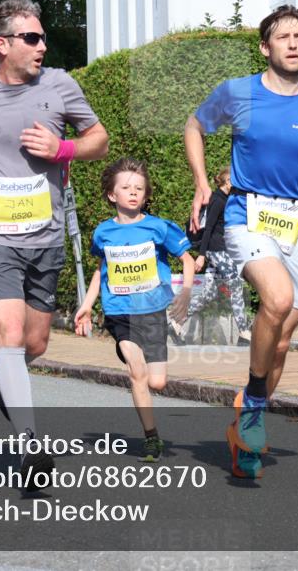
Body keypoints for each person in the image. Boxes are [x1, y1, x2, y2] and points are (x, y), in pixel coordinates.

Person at [0, 0, 109, 488]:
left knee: (34, 342)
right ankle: (30, 447)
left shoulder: (60, 85)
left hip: (45, 232)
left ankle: (1, 369)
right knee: (9, 330)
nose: (42, 46)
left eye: (43, 38)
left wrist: (64, 148)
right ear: (3, 44)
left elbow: (100, 138)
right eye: (32, 38)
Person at [184, 5, 298, 479]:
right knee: (276, 299)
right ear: (266, 47)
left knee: (279, 343)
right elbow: (194, 126)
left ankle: (243, 428)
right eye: (283, 37)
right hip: (248, 213)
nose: (294, 43)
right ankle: (257, 406)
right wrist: (203, 183)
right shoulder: (238, 92)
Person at [74, 158, 195, 462]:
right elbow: (101, 270)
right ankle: (151, 438)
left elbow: (188, 260)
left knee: (157, 382)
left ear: (145, 194)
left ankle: (151, 423)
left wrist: (185, 294)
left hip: (153, 311)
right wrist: (87, 306)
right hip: (119, 312)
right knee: (136, 371)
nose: (133, 192)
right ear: (112, 195)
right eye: (126, 187)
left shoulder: (158, 227)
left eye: (139, 188)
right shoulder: (103, 233)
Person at [170, 166, 252, 345]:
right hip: (217, 251)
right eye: (235, 181)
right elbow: (207, 230)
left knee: (208, 295)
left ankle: (176, 323)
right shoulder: (217, 200)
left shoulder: (224, 199)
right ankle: (245, 332)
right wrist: (201, 255)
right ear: (228, 181)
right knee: (236, 286)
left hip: (218, 251)